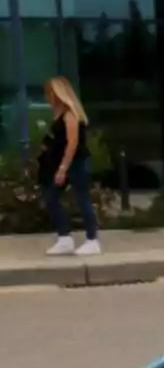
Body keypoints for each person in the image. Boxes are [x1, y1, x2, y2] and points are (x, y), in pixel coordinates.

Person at [37, 76, 100, 256]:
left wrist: (62, 168)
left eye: (49, 92)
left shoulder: (70, 114)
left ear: (58, 93)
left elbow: (72, 143)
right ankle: (65, 238)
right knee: (51, 197)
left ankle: (92, 240)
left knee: (82, 199)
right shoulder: (58, 116)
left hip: (77, 162)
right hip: (65, 163)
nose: (47, 96)